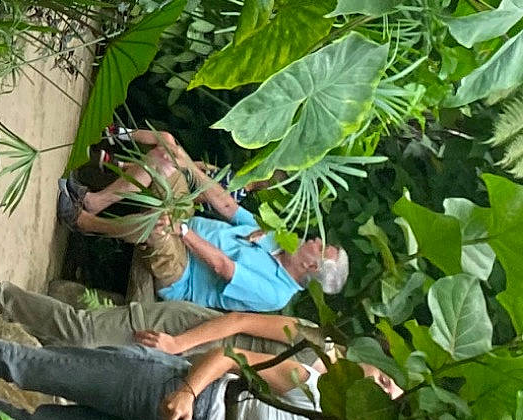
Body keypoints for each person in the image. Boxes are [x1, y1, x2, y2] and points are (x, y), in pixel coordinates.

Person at [0, 315, 363, 420]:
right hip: (179, 394)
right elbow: (230, 356)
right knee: (49, 369)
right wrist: (188, 391)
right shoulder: (314, 391)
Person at [58, 131, 348, 312]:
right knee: (165, 158)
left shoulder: (276, 294)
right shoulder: (279, 238)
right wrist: (185, 164)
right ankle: (95, 202)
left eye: (321, 248)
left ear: (312, 266)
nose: (316, 239)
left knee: (159, 225)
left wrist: (183, 232)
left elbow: (223, 266)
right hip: (184, 224)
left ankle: (83, 222)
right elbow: (227, 205)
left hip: (181, 272)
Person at [0, 268, 284, 357]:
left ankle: (3, 306)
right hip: (185, 331)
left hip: (190, 367)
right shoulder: (310, 340)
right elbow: (241, 320)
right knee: (83, 333)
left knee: (74, 353)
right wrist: (178, 343)